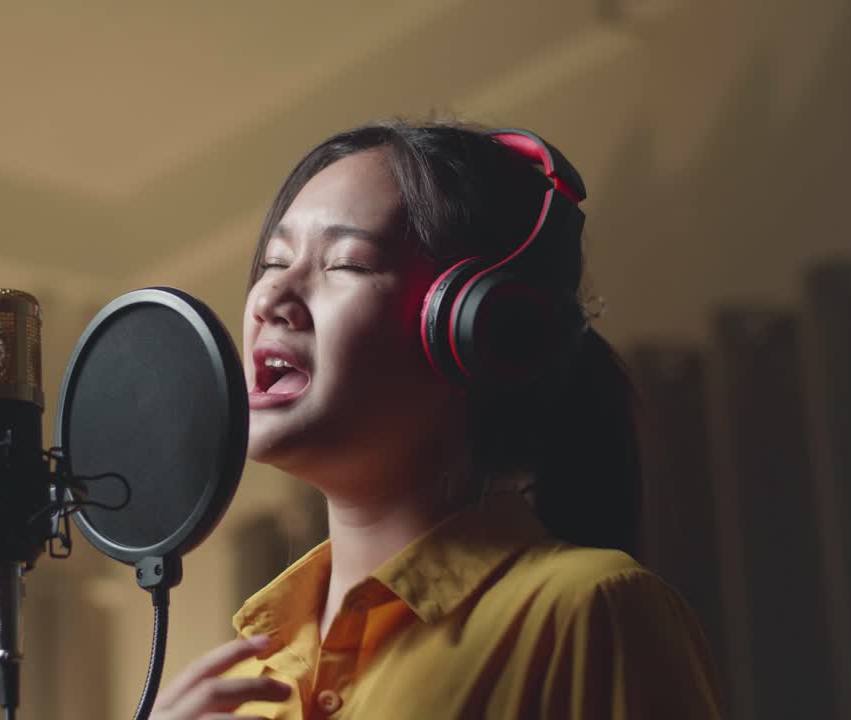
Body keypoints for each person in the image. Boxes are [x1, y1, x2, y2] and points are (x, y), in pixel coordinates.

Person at [150, 120, 723, 719]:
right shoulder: (240, 685)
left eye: (345, 264)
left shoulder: (588, 610)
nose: (271, 299)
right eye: (273, 263)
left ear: (476, 327)